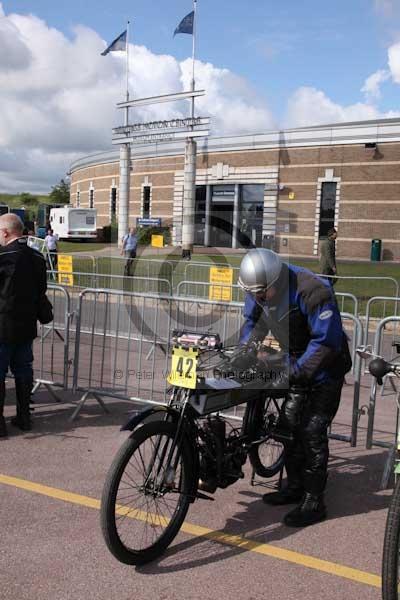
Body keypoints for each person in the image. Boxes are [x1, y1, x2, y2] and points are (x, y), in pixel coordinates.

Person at [237, 248, 351, 527]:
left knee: (311, 430)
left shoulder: (313, 291)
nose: (258, 298)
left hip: (326, 370)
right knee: (288, 427)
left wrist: (297, 370)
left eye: (262, 293)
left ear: (275, 282)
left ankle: (314, 501)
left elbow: (327, 342)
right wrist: (245, 352)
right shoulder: (259, 290)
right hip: (295, 362)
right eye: (254, 293)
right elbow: (253, 323)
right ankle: (295, 486)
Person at [0, 214, 48, 436]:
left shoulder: (3, 256)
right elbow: (41, 292)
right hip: (26, 325)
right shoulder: (38, 258)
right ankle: (24, 417)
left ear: (6, 232)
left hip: (2, 325)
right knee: (23, 370)